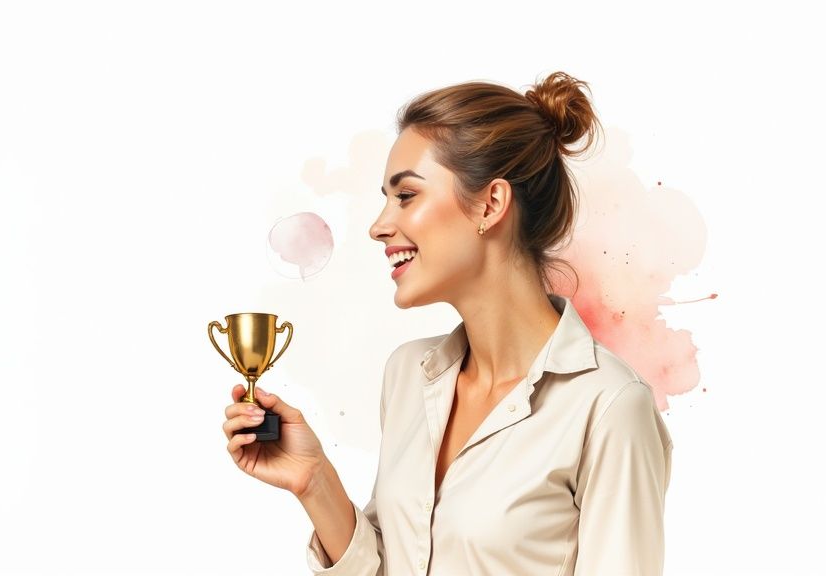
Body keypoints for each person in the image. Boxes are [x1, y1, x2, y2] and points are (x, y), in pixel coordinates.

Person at [222, 71, 673, 575]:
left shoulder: (609, 405)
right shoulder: (410, 374)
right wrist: (314, 479)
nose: (379, 225)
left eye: (406, 196)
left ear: (491, 204)